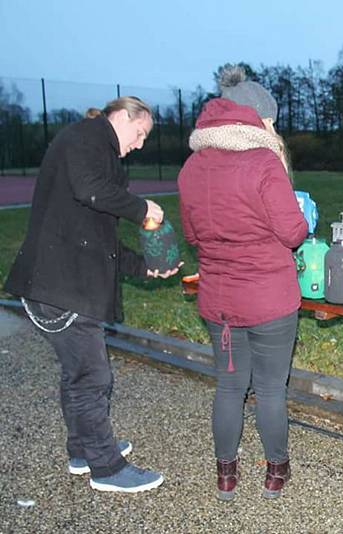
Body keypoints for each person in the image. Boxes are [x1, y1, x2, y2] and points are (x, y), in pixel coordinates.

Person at [4, 96, 180, 493]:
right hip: (61, 286)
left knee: (77, 373)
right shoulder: (86, 138)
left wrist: (147, 267)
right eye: (140, 133)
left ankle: (83, 449)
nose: (139, 144)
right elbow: (90, 189)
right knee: (92, 376)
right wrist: (141, 209)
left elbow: (102, 242)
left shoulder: (94, 154)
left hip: (60, 283)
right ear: (122, 116)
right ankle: (107, 467)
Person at [177, 66, 307, 501]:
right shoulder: (263, 162)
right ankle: (275, 471)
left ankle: (226, 475)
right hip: (270, 300)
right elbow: (293, 234)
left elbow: (193, 237)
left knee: (230, 386)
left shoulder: (192, 167)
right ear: (257, 119)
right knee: (270, 387)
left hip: (220, 302)